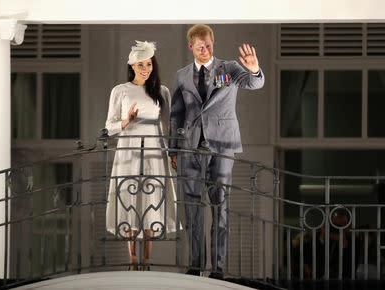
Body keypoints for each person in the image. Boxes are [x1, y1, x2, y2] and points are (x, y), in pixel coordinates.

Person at [169, 24, 265, 279]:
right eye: (200, 46)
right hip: (190, 146)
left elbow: (254, 83)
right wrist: (173, 149)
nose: (205, 49)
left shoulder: (230, 68)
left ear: (213, 43)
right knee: (192, 208)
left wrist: (255, 70)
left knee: (220, 207)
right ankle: (195, 264)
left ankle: (218, 268)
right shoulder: (181, 75)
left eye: (209, 45)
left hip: (222, 146)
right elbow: (176, 114)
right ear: (191, 46)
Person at [105, 40, 177, 271]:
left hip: (155, 148)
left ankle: (146, 259)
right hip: (129, 149)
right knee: (128, 196)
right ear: (132, 66)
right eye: (140, 65)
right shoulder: (120, 91)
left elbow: (169, 125)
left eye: (149, 64)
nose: (145, 68)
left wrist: (173, 151)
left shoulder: (161, 91)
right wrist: (126, 121)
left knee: (152, 197)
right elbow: (109, 126)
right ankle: (132, 259)